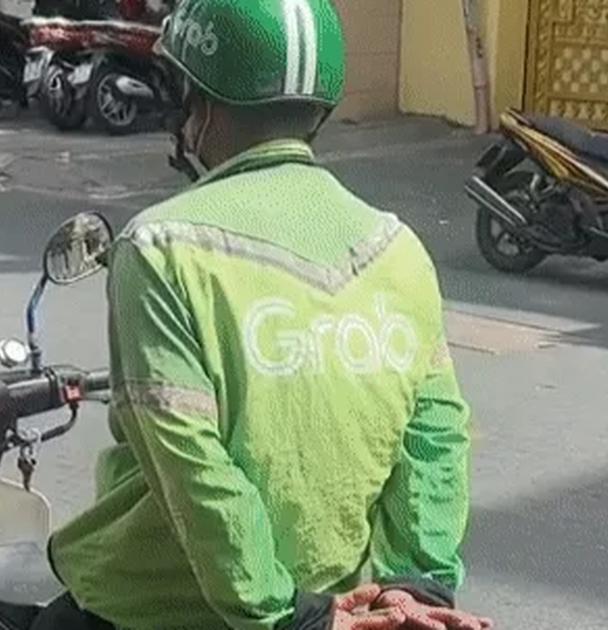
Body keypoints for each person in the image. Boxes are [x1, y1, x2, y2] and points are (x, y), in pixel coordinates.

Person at [32, 0, 491, 629]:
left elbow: (191, 467)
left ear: (205, 105)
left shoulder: (160, 247)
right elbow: (435, 434)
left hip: (161, 605)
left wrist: (283, 614)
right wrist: (418, 585)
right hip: (342, 599)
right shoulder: (396, 248)